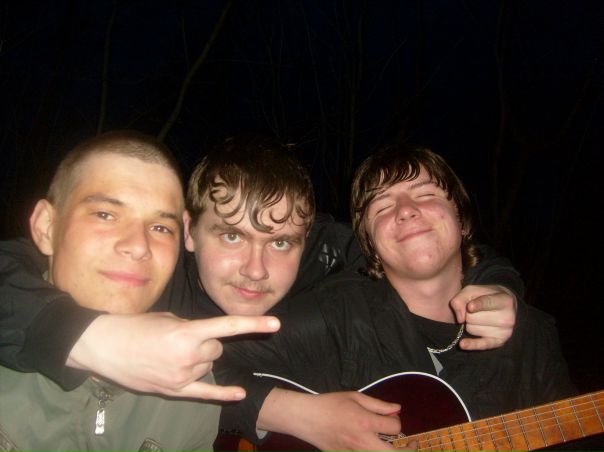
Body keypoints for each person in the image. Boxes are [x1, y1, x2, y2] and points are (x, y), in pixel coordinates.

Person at [0, 135, 520, 450]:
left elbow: (416, 250)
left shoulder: (320, 253)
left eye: (281, 242)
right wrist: (92, 337)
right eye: (230, 236)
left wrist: (494, 283)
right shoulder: (146, 276)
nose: (255, 269)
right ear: (188, 231)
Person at [218, 144, 576, 451]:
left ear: (463, 220)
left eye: (426, 194)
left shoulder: (532, 336)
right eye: (382, 205)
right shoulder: (336, 315)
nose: (405, 209)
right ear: (369, 244)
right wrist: (306, 417)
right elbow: (209, 370)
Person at [0, 130, 280, 451]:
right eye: (105, 215)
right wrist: (82, 336)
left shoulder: (191, 393)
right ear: (46, 227)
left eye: (160, 227)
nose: (138, 245)